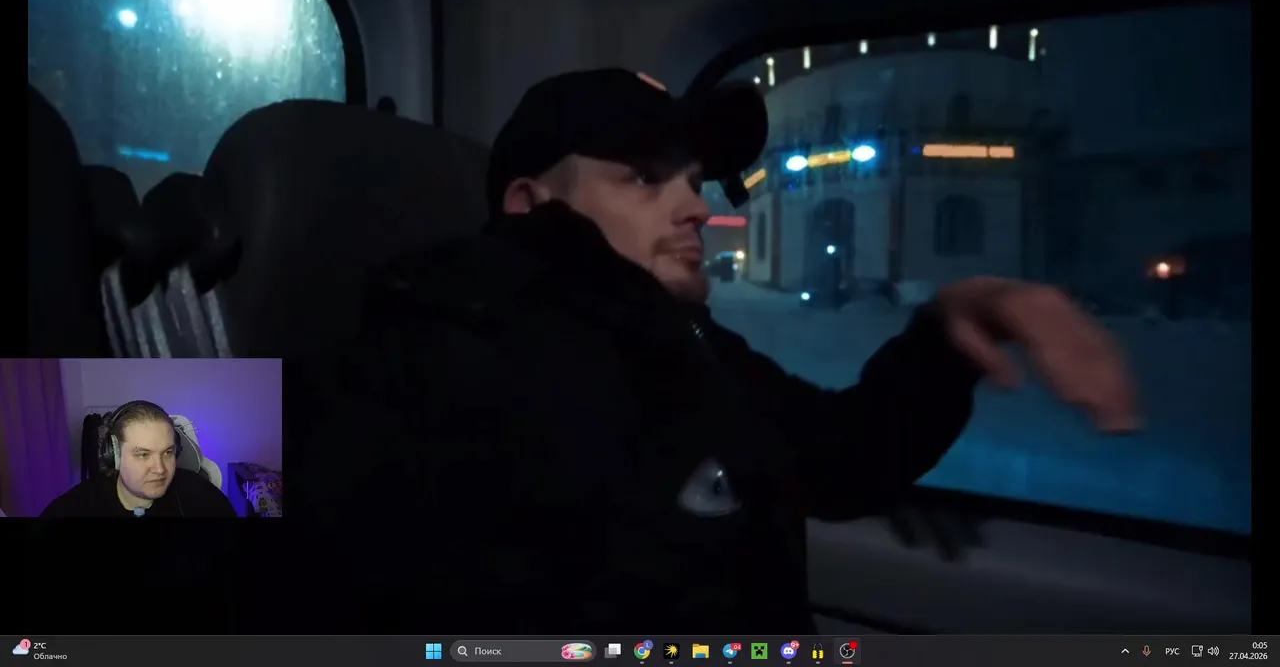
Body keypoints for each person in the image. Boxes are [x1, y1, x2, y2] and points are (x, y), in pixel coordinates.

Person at [288, 68, 1136, 633]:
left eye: (693, 180)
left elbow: (841, 456)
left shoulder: (690, 345)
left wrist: (955, 322)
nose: (695, 206)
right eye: (643, 176)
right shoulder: (446, 333)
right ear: (529, 203)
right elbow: (239, 490)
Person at [40, 400, 236, 517]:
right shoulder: (73, 508)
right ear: (114, 455)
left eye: (167, 452)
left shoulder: (203, 496)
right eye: (143, 454)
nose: (160, 469)